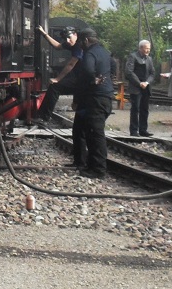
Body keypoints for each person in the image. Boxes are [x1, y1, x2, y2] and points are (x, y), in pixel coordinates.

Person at [72, 28, 114, 177]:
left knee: (95, 135)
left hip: (96, 98)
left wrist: (93, 80)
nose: (80, 46)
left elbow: (88, 70)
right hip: (106, 96)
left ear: (86, 40)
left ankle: (98, 169)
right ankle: (90, 166)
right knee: (91, 133)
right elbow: (113, 67)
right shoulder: (105, 52)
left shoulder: (89, 53)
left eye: (81, 43)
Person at [35, 25, 83, 121]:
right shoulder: (71, 43)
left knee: (55, 87)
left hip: (83, 79)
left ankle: (44, 117)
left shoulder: (79, 45)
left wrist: (57, 79)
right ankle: (42, 116)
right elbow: (58, 46)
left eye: (69, 38)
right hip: (80, 77)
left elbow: (71, 64)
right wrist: (44, 33)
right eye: (66, 39)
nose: (68, 41)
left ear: (75, 34)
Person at [123, 39, 159, 137]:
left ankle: (143, 130)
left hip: (146, 87)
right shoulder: (133, 56)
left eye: (149, 49)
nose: (148, 50)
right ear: (141, 48)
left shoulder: (149, 59)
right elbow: (129, 72)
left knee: (144, 109)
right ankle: (134, 130)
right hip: (136, 87)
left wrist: (147, 82)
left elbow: (152, 73)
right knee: (135, 109)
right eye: (146, 48)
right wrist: (139, 83)